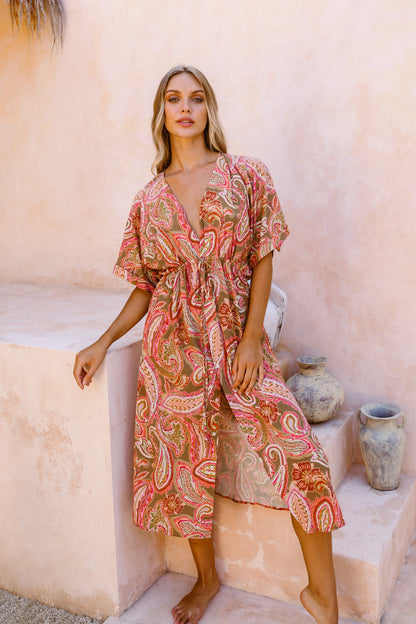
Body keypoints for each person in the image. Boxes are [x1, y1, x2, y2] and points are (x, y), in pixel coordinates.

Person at [73, 65, 345, 624]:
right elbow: (146, 287)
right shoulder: (148, 201)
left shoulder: (245, 174)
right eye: (174, 99)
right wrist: (101, 343)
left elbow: (262, 256)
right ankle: (205, 578)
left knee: (302, 455)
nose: (185, 107)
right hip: (172, 348)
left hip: (235, 343)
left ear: (208, 110)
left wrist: (250, 341)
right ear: (162, 114)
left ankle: (324, 597)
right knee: (182, 465)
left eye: (197, 98)